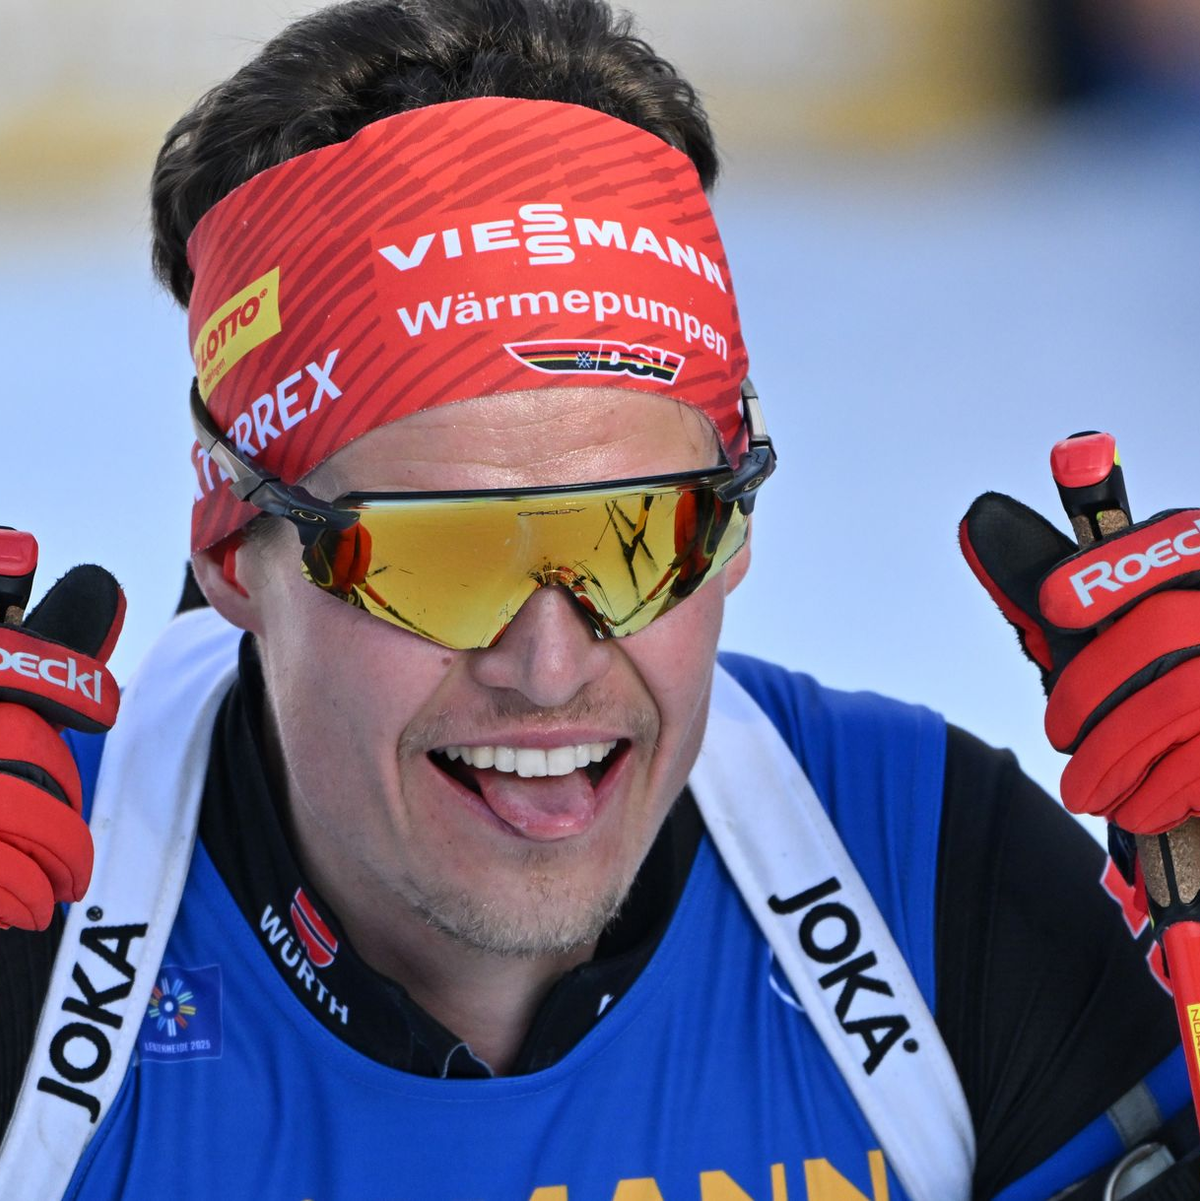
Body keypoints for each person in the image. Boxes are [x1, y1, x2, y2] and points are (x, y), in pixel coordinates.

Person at [1, 1, 1199, 1197]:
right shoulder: (36, 922)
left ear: (732, 535)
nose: (551, 664)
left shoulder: (931, 872)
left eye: (643, 536)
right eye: (442, 559)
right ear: (229, 552)